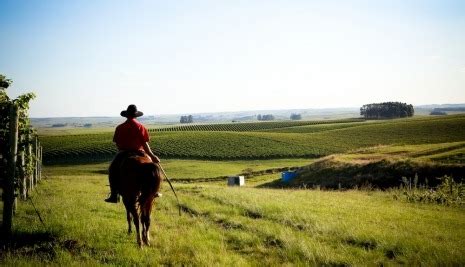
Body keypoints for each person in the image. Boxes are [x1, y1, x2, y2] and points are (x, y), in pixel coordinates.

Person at [105, 104, 160, 203]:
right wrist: (152, 156)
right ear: (136, 116)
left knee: (112, 169)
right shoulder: (140, 126)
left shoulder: (120, 127)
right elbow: (145, 144)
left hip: (123, 152)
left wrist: (123, 149)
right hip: (140, 152)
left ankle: (114, 194)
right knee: (152, 167)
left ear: (126, 115)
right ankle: (154, 191)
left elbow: (117, 143)